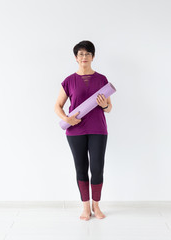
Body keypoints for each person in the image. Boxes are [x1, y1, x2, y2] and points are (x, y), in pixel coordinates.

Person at [54, 40, 112, 221]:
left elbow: (109, 108)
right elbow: (57, 106)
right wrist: (66, 119)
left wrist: (104, 106)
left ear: (93, 57)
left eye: (87, 54)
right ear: (75, 58)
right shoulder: (69, 81)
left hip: (98, 130)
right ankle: (85, 207)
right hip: (75, 130)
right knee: (81, 168)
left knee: (97, 168)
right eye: (81, 54)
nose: (84, 57)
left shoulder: (102, 79)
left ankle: (96, 205)